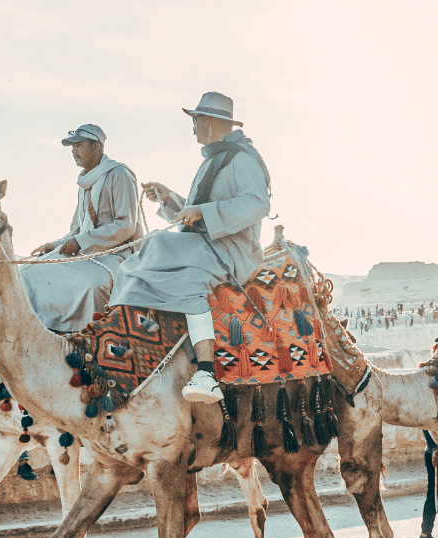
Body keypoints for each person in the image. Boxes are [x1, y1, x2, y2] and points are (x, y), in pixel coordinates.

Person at [110, 91, 271, 403]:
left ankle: (206, 372)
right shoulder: (214, 160)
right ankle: (137, 332)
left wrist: (203, 212)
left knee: (178, 269)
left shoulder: (242, 159)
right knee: (139, 257)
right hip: (207, 243)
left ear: (211, 121)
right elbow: (194, 213)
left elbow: (256, 203)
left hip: (233, 251)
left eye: (196, 119)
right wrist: (169, 198)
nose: (193, 126)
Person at [26, 124, 143, 332]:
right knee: (30, 272)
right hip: (85, 252)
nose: (73, 151)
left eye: (78, 145)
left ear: (96, 146)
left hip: (116, 253)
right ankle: (44, 332)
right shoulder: (85, 183)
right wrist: (55, 244)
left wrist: (81, 241)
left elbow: (126, 225)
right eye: (72, 146)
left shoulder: (120, 174)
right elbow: (77, 230)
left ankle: (89, 340)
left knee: (93, 285)